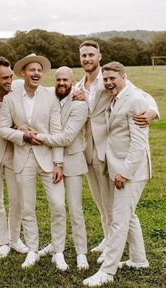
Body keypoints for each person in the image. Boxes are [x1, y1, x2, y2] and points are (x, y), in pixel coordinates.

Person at [74, 40, 159, 255]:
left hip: (109, 151)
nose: (87, 59)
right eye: (84, 55)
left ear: (99, 56)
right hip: (89, 150)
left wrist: (152, 112)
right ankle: (107, 239)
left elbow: (142, 95)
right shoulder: (78, 86)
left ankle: (114, 246)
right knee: (101, 203)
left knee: (113, 204)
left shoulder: (107, 80)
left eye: (91, 54)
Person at [83, 61, 151, 286]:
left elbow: (139, 144)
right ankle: (138, 260)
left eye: (113, 78)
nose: (109, 82)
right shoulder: (115, 96)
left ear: (124, 76)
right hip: (117, 166)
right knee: (128, 216)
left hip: (130, 170)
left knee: (119, 220)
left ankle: (107, 272)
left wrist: (124, 172)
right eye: (106, 79)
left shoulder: (135, 99)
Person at [0, 54, 67, 270]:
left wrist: (58, 163)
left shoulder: (50, 96)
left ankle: (58, 251)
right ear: (23, 74)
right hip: (22, 157)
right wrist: (23, 136)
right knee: (27, 207)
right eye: (31, 70)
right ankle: (32, 250)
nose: (36, 73)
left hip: (48, 158)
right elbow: (2, 128)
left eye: (39, 70)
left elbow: (56, 131)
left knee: (57, 205)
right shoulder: (11, 98)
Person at [37, 66, 89, 269]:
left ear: (72, 82)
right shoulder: (50, 95)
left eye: (65, 80)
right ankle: (55, 245)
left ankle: (81, 253)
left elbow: (67, 137)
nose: (61, 83)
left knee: (75, 210)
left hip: (73, 163)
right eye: (58, 80)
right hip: (53, 163)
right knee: (56, 207)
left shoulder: (80, 104)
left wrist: (38, 137)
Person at [0, 57, 28, 259]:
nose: (9, 81)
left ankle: (15, 239)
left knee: (17, 198)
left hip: (15, 151)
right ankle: (2, 242)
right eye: (4, 78)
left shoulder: (19, 87)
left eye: (10, 76)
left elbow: (46, 93)